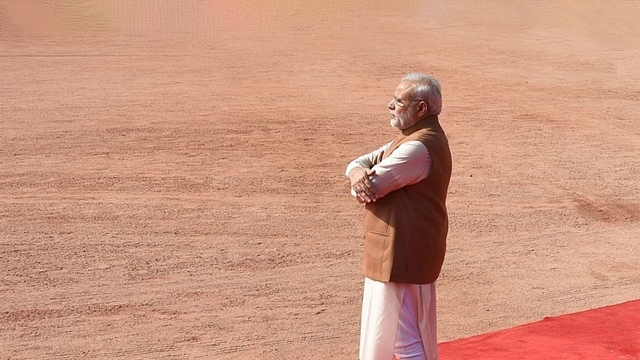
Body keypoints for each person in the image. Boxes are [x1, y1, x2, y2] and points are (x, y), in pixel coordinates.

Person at [346, 73, 452, 360]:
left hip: (400, 254)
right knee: (402, 333)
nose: (390, 106)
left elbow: (368, 190)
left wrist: (359, 180)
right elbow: (359, 164)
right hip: (403, 250)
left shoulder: (417, 148)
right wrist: (356, 173)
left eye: (398, 101)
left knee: (402, 339)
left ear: (421, 109)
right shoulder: (415, 138)